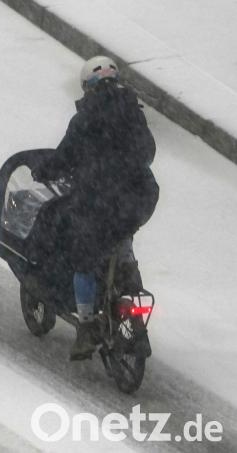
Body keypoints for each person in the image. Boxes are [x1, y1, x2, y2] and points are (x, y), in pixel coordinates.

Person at [31, 56, 160, 360]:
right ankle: (128, 276)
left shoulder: (85, 117)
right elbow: (148, 151)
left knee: (84, 258)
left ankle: (87, 327)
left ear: (87, 87)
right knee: (122, 232)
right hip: (140, 197)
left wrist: (45, 171)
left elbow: (64, 157)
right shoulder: (133, 112)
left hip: (99, 199)